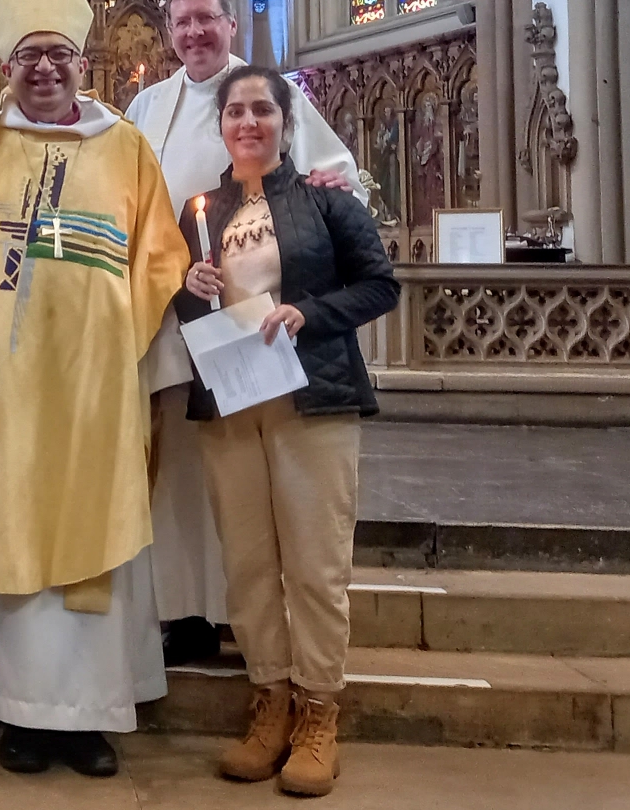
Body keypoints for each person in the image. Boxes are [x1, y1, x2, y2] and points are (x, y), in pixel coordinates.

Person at [0, 0, 191, 777]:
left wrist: (115, 333)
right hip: (1, 391)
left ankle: (90, 716)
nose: (44, 69)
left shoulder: (128, 150)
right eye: (28, 56)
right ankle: (19, 713)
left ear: (84, 62)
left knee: (92, 539)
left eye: (58, 55)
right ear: (5, 68)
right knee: (10, 531)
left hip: (93, 389)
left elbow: (161, 258)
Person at [124, 0, 364, 668]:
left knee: (247, 471)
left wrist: (324, 190)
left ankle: (245, 613)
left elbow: (333, 172)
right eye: (183, 23)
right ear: (168, 32)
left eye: (207, 20)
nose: (195, 34)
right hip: (174, 312)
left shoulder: (267, 90)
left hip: (255, 323)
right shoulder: (147, 104)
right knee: (181, 471)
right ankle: (185, 612)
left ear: (231, 25)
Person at [177, 66, 399, 797]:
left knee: (314, 563)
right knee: (246, 564)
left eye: (261, 111)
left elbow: (379, 285)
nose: (247, 122)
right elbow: (188, 316)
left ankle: (318, 713)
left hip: (313, 398)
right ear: (221, 125)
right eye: (235, 111)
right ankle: (268, 701)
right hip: (232, 405)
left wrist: (310, 313)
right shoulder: (200, 212)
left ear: (284, 121)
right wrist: (191, 290)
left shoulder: (325, 204)